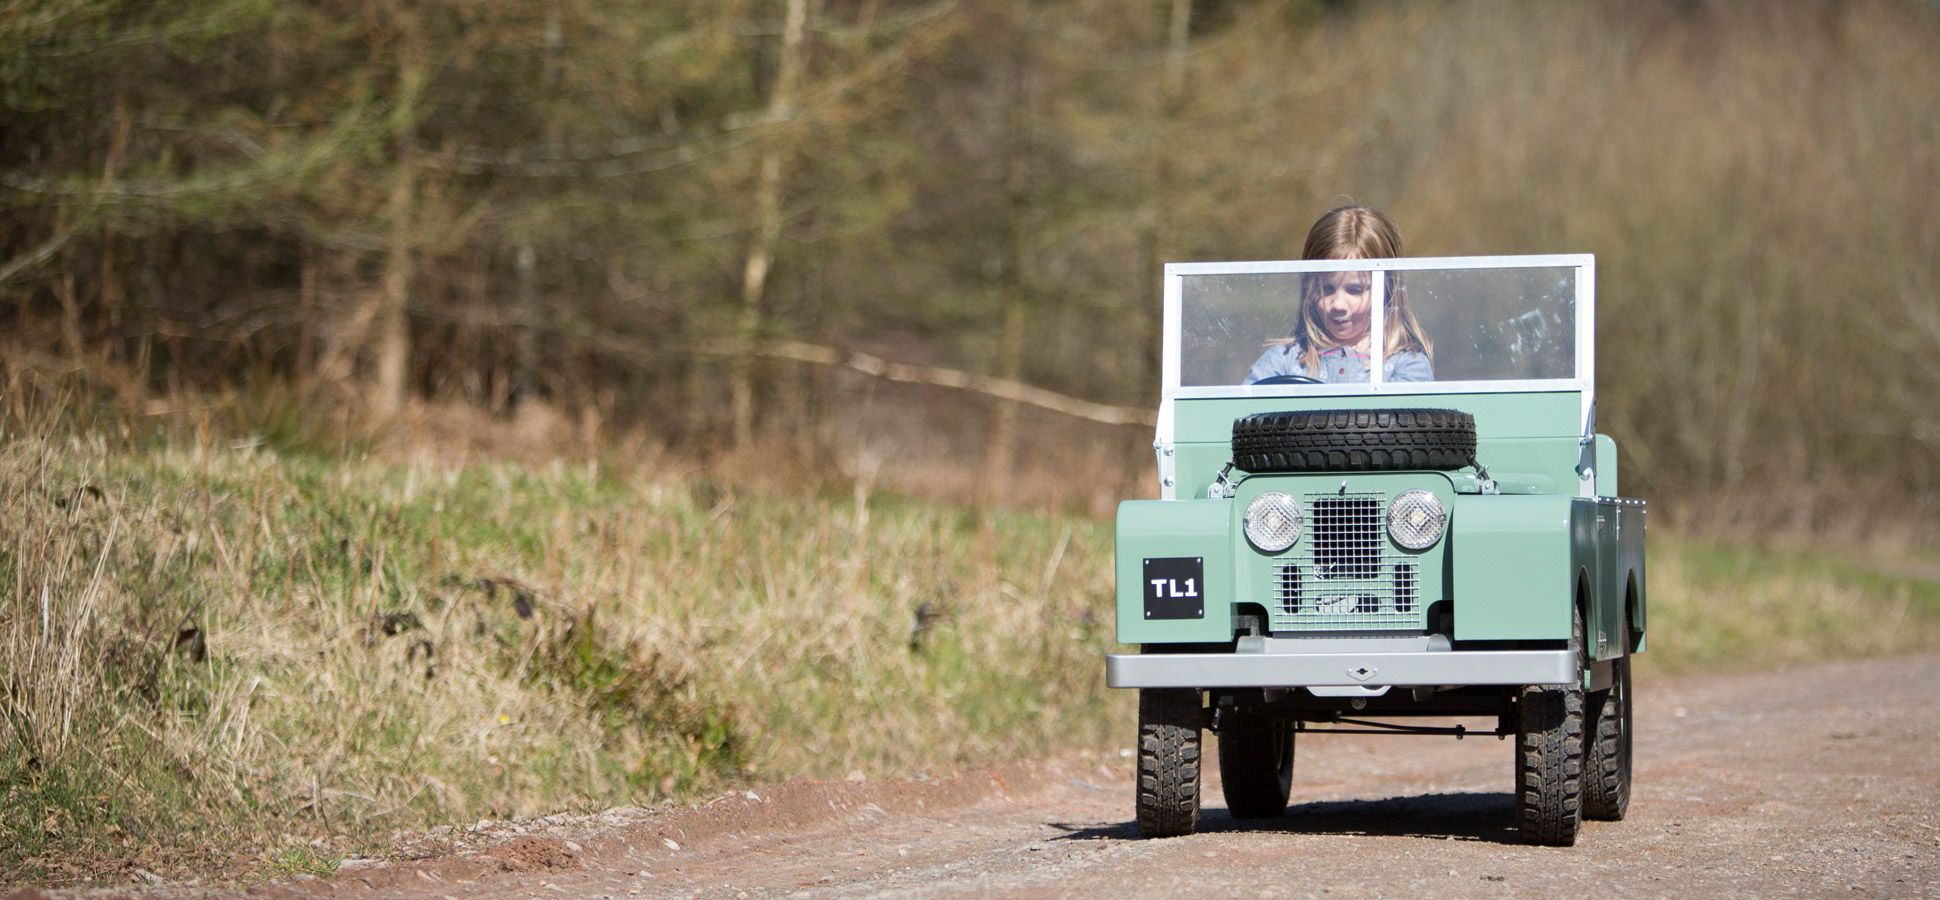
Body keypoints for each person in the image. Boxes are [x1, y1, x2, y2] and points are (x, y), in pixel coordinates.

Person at [1244, 205, 1434, 384]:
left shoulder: (1407, 364)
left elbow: (1408, 408)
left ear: (1387, 289)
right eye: (1326, 289)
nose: (1338, 305)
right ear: (1309, 288)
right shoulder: (1284, 360)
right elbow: (1245, 405)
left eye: (1355, 290)